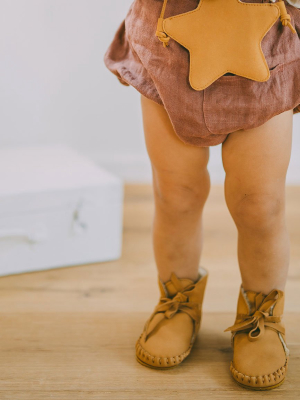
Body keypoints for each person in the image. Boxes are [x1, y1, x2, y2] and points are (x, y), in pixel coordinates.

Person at [103, 0, 300, 390]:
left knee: (260, 202)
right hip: (168, 37)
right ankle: (178, 300)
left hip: (263, 41)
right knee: (176, 192)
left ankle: (261, 311)